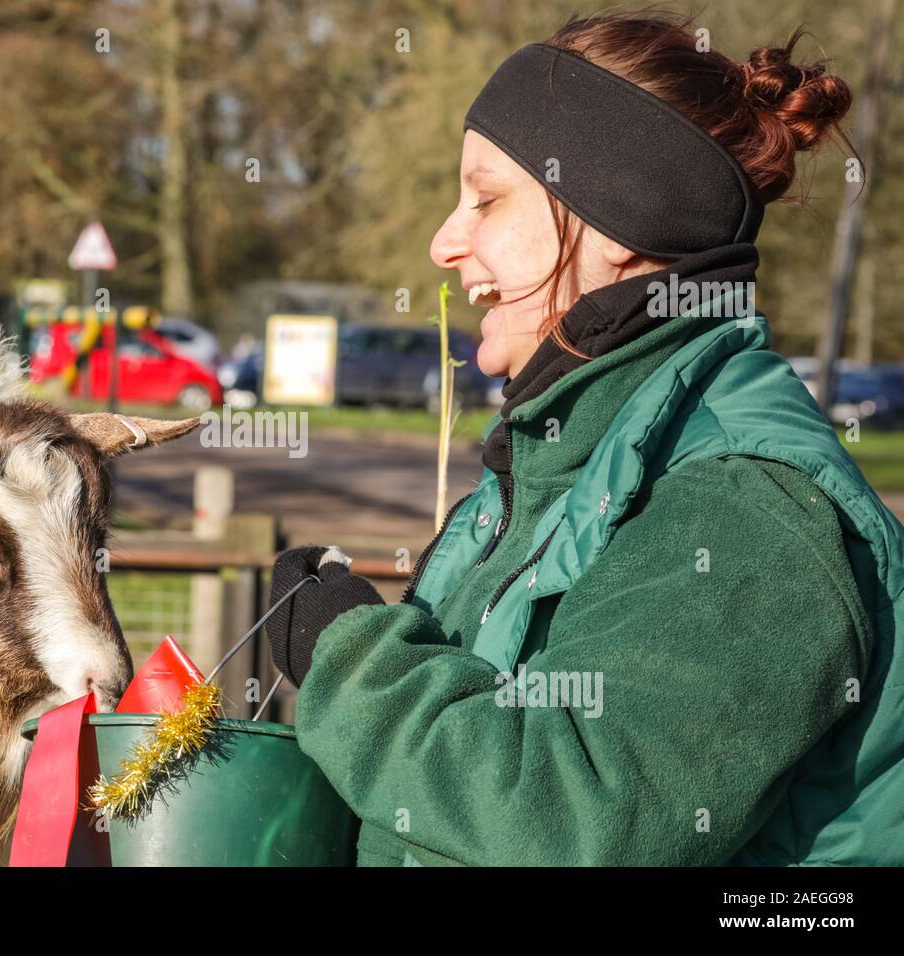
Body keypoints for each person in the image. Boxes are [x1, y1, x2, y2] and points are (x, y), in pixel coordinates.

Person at [265, 10, 904, 866]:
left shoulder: (745, 507)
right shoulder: (542, 472)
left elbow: (573, 817)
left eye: (486, 199)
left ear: (615, 230)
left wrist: (350, 660)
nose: (443, 243)